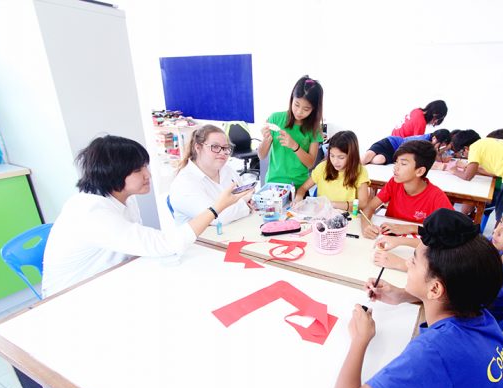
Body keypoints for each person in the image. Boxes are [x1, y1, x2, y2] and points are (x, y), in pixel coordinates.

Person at [328, 209, 503, 388]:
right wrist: (404, 295)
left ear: (435, 288)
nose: (407, 265)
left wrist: (360, 340)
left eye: (413, 261)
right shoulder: (480, 314)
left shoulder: (437, 353)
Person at [42, 135, 251, 297]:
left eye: (145, 166)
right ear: (112, 172)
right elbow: (163, 244)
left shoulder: (126, 199)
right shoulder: (90, 211)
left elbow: (141, 247)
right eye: (138, 169)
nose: (148, 175)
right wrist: (216, 208)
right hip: (73, 295)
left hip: (116, 277)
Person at [373, 195, 503, 324]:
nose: (496, 231)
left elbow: (453, 287)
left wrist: (402, 265)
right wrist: (402, 240)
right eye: (500, 221)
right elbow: (450, 246)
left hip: (469, 320)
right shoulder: (501, 245)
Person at [360, 140, 452, 239]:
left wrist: (412, 228)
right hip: (387, 240)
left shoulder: (436, 197)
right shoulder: (394, 183)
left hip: (415, 245)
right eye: (396, 162)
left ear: (420, 171)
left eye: (403, 164)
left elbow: (452, 232)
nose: (395, 168)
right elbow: (370, 207)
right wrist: (366, 226)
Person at [169, 124, 252, 225]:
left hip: (234, 228)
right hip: (205, 235)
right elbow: (216, 218)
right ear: (198, 147)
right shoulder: (184, 183)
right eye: (215, 147)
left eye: (226, 148)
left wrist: (246, 200)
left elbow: (245, 194)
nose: (222, 152)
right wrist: (245, 203)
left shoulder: (227, 170)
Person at [257, 75, 324, 187]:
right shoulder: (275, 119)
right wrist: (266, 140)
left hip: (298, 186)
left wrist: (294, 146)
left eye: (306, 109)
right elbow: (261, 155)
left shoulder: (314, 128)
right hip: (273, 184)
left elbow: (310, 164)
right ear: (292, 98)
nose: (299, 112)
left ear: (314, 109)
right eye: (296, 105)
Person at [294, 130, 370, 212]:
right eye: (332, 155)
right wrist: (299, 196)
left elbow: (363, 203)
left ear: (352, 156)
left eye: (341, 157)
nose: (335, 161)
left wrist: (333, 204)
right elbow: (303, 188)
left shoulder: (360, 172)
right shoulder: (322, 167)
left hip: (347, 216)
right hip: (323, 215)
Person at [360, 129, 451, 165]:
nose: (442, 146)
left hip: (395, 152)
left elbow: (435, 156)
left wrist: (443, 152)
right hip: (391, 142)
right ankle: (354, 166)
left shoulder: (430, 143)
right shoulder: (424, 141)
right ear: (435, 138)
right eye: (442, 144)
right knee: (369, 155)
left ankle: (365, 162)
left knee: (380, 160)